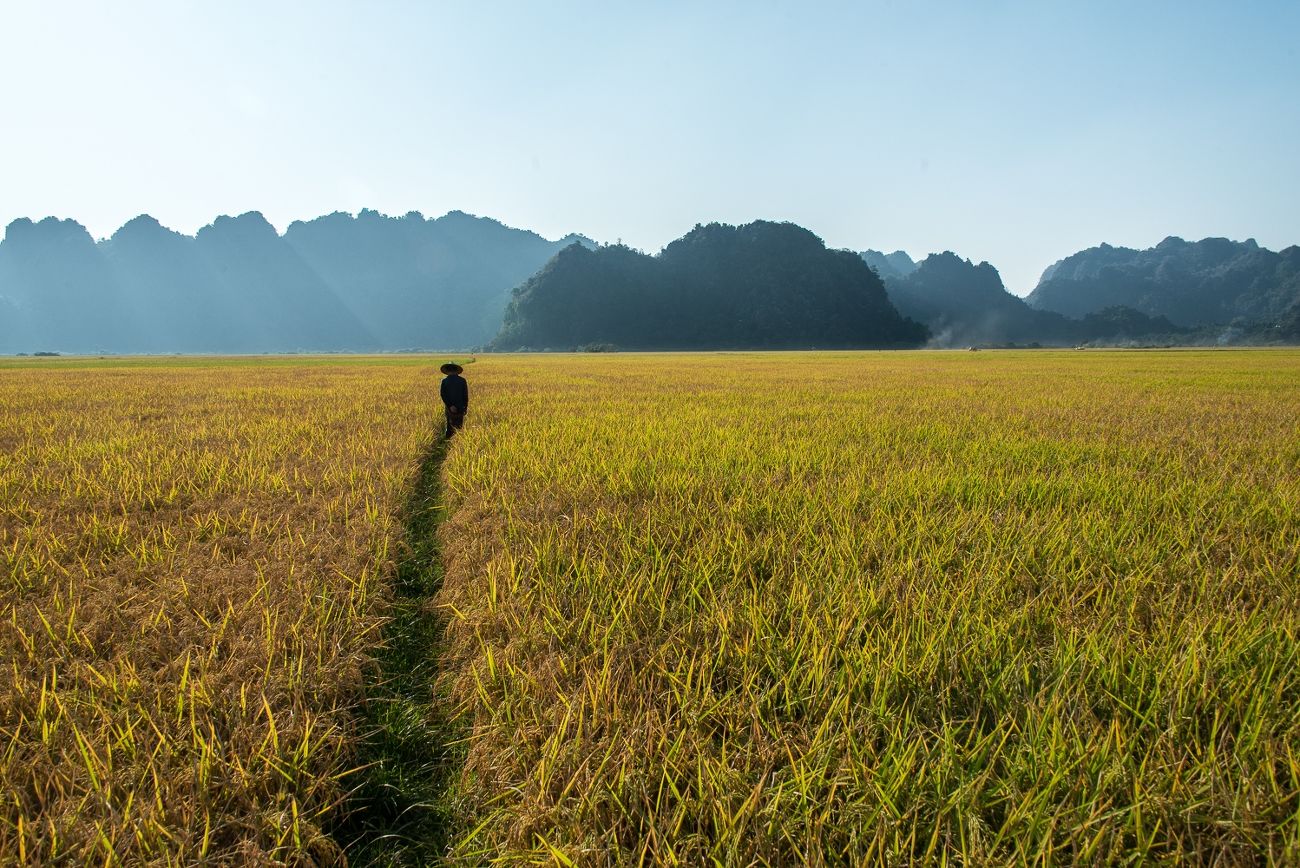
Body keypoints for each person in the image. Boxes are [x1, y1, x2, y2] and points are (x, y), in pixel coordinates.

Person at [439, 362, 469, 438]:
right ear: (456, 371)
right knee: (459, 426)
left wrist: (450, 405)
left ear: (447, 371)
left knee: (449, 425)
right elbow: (465, 395)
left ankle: (448, 442)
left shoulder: (444, 381)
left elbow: (443, 395)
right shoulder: (462, 380)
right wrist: (465, 407)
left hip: (449, 407)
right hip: (460, 406)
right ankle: (457, 443)